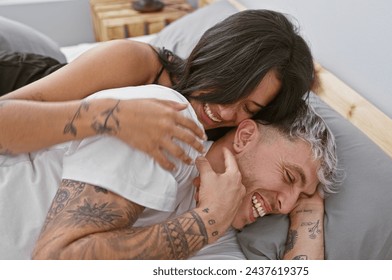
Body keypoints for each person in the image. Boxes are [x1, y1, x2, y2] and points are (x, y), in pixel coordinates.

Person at [0, 84, 339, 260]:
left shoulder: (220, 235)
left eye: (297, 198)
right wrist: (207, 221)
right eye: (290, 178)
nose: (285, 204)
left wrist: (309, 210)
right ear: (245, 136)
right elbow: (55, 260)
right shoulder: (169, 128)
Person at [0, 9, 315, 171]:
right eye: (231, 86)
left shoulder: (230, 132)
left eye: (250, 108)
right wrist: (112, 117)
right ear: (216, 56)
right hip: (18, 82)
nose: (228, 111)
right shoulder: (133, 62)